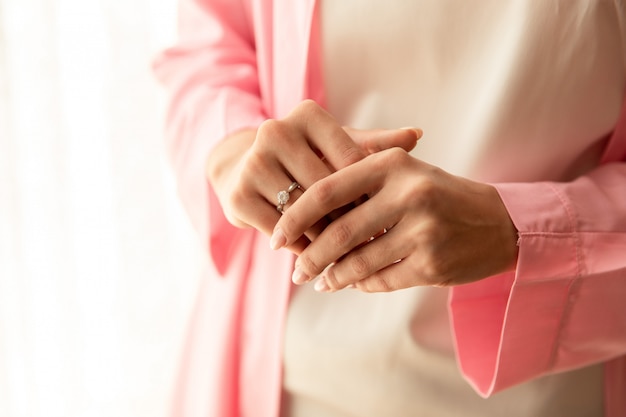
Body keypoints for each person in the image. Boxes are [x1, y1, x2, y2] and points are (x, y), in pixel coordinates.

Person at [154, 1, 626, 416]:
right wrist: (233, 149)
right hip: (287, 381)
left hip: (557, 393)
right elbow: (207, 49)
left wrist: (521, 229)